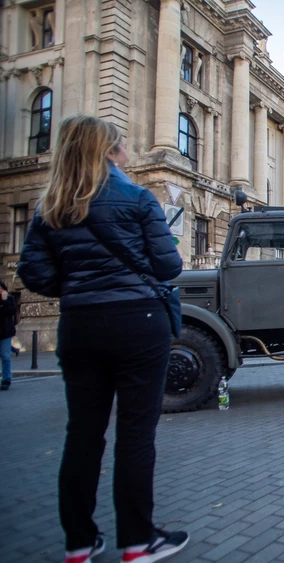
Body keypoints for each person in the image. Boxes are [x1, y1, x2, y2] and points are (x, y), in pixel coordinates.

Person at [17, 115, 189, 563]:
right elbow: (170, 266)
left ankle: (78, 542)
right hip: (139, 321)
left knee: (83, 436)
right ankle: (137, 541)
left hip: (80, 325)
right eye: (124, 146)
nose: (129, 153)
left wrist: (78, 288)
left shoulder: (49, 205)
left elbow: (33, 272)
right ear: (110, 151)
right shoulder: (136, 197)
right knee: (136, 433)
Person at [0, 280, 15, 390]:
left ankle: (6, 379)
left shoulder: (9, 299)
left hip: (5, 333)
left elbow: (10, 312)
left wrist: (4, 300)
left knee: (5, 356)